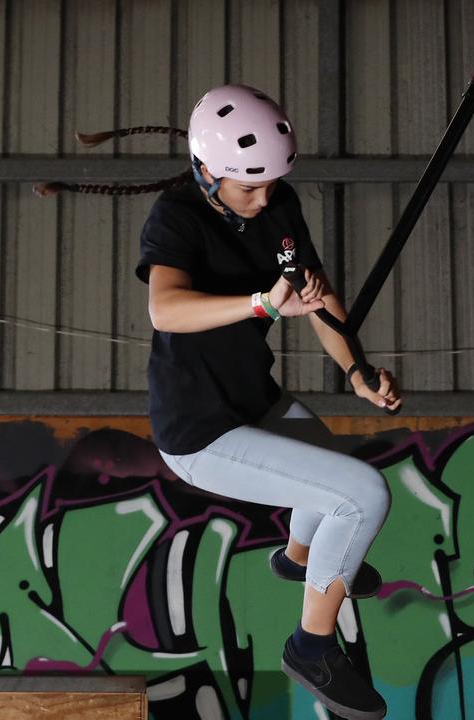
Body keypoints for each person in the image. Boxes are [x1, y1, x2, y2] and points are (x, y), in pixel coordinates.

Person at [136, 85, 400, 720]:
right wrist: (259, 302)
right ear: (206, 171)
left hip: (256, 400)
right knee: (362, 495)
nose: (262, 200)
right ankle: (311, 648)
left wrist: (356, 370)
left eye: (271, 185)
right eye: (247, 188)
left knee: (326, 460)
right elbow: (164, 307)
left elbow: (316, 292)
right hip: (201, 430)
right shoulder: (177, 216)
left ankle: (300, 558)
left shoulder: (279, 205)